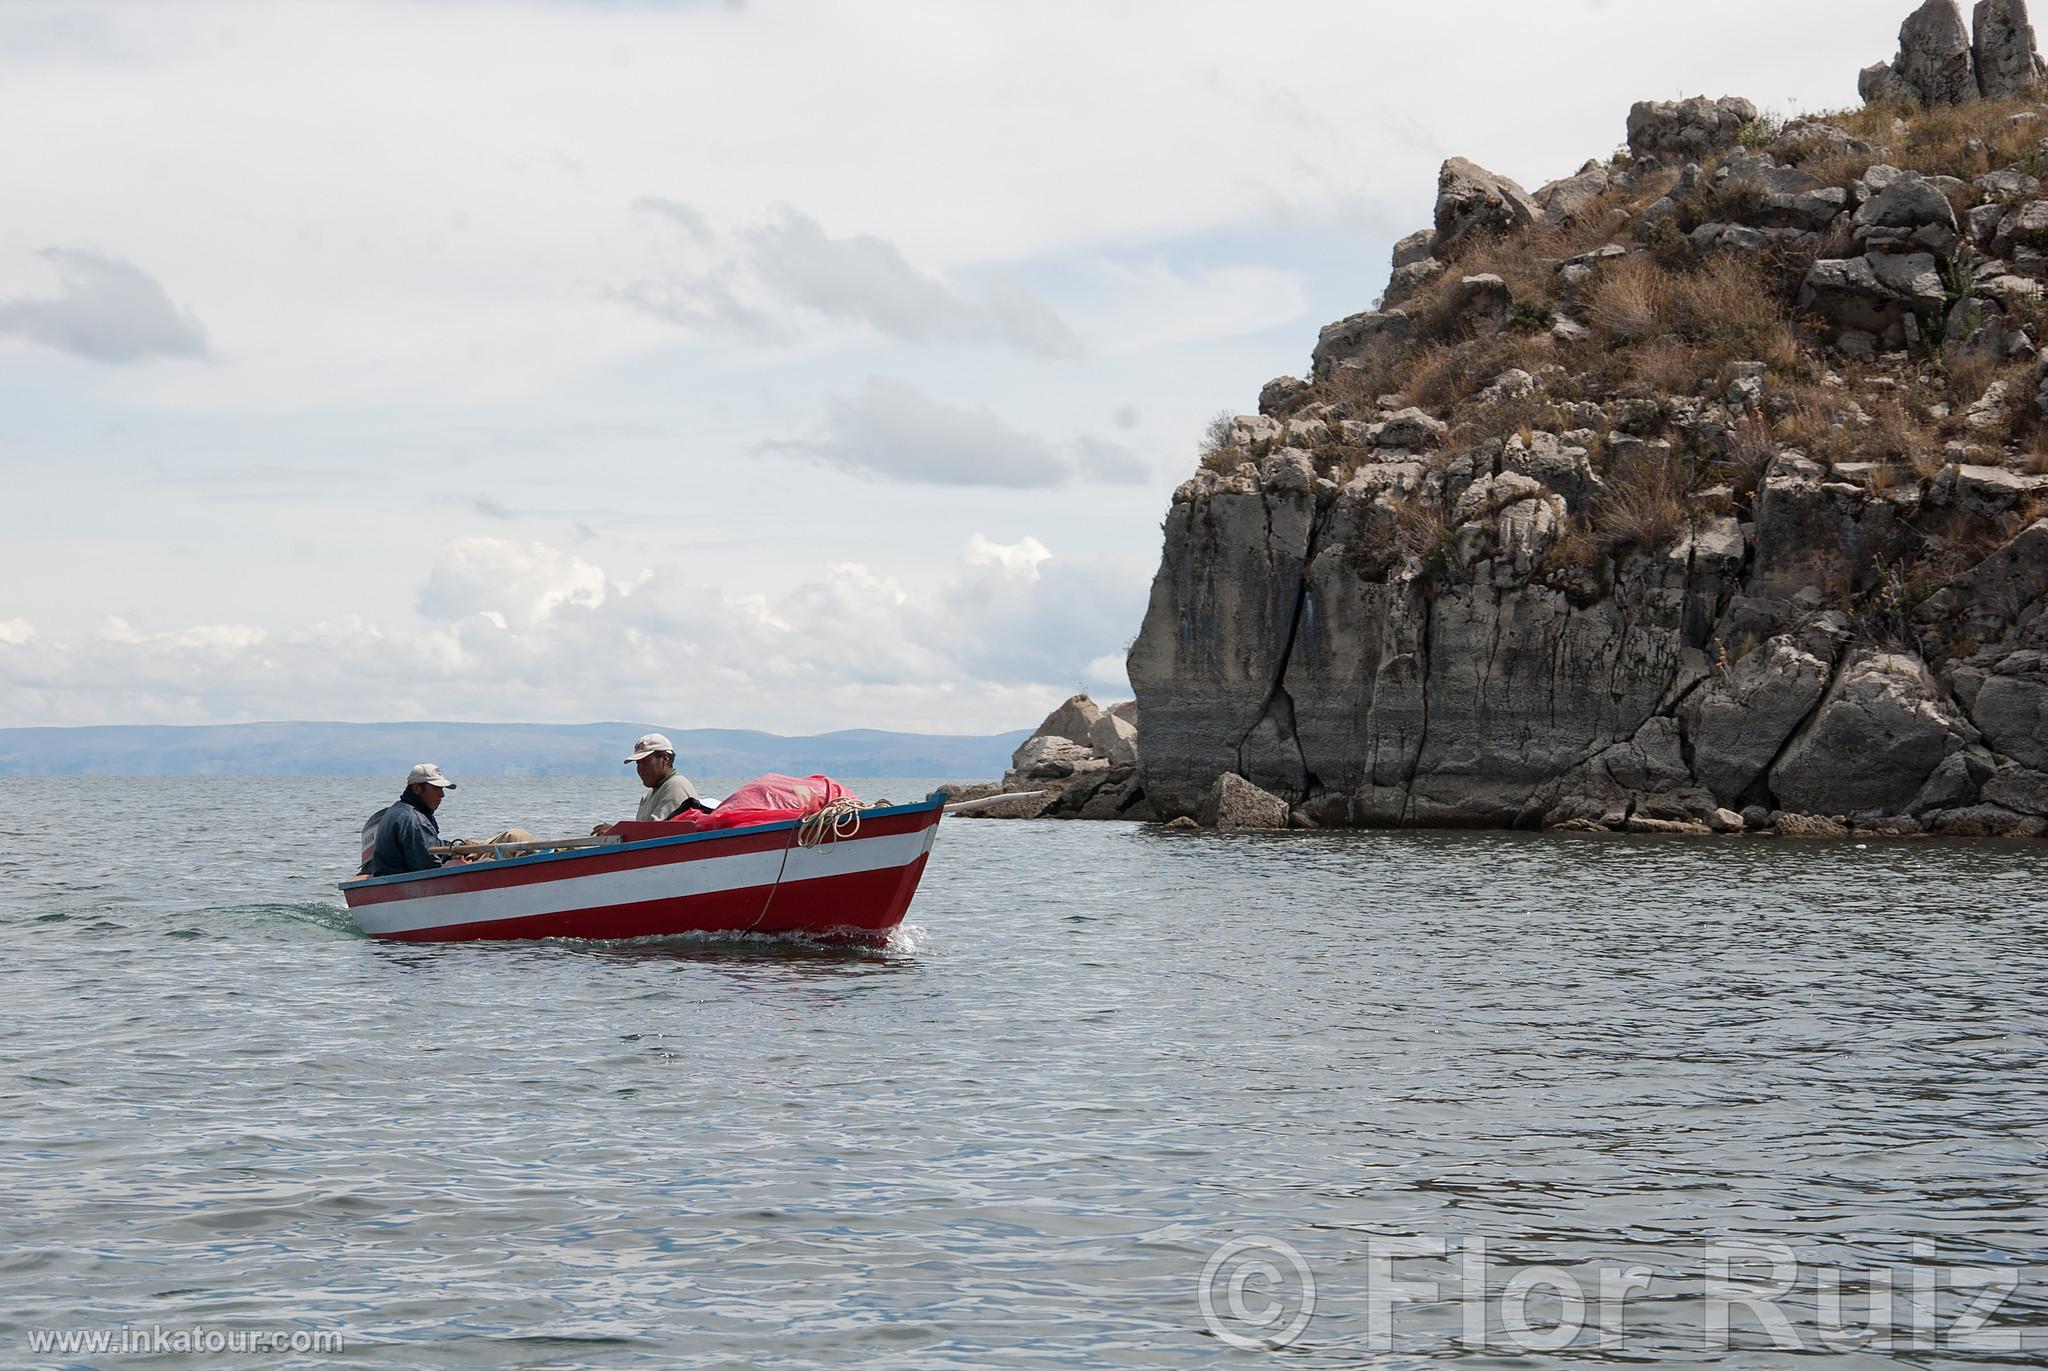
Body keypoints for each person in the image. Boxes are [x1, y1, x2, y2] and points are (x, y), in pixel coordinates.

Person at [594, 733, 703, 833]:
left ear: (665, 759)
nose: (640, 768)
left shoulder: (675, 786)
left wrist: (616, 832)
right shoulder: (649, 794)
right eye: (638, 763)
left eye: (645, 761)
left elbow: (655, 834)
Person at [363, 763, 459, 876]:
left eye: (442, 789)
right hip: (400, 885)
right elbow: (428, 866)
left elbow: (431, 844)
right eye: (436, 788)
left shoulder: (397, 810)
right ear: (417, 788)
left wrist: (457, 847)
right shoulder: (414, 821)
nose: (442, 794)